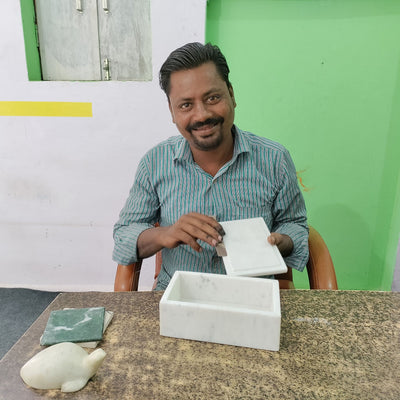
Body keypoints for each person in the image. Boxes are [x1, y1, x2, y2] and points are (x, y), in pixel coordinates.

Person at [113, 42, 308, 290]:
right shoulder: (155, 163)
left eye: (213, 98)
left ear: (232, 95)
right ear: (172, 112)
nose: (202, 114)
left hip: (252, 296)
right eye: (186, 105)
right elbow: (124, 234)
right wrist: (165, 234)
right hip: (177, 295)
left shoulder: (274, 159)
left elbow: (296, 225)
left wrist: (284, 241)